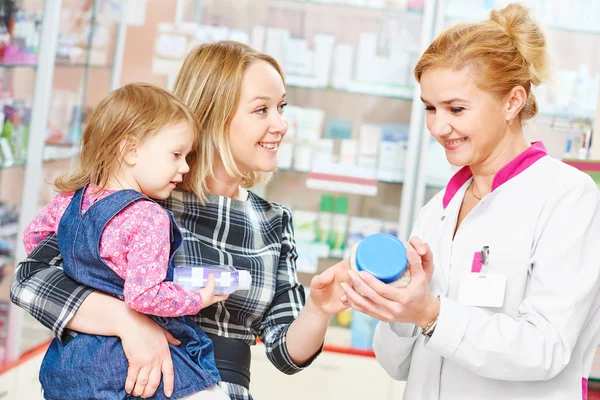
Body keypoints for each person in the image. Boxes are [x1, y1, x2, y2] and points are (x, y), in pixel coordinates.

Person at [11, 41, 349, 400]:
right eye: (262, 110)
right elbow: (30, 281)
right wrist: (129, 323)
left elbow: (286, 353)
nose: (281, 125)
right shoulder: (139, 200)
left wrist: (319, 309)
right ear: (214, 113)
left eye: (282, 107)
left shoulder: (272, 222)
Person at [339, 4, 600, 400]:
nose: (439, 126)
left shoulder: (568, 198)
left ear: (513, 101)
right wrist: (399, 309)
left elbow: (546, 348)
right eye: (430, 107)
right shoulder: (437, 210)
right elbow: (397, 365)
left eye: (456, 109)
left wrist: (431, 313)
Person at [22, 83, 230, 400]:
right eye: (176, 154)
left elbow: (33, 239)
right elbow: (144, 295)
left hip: (70, 362)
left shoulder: (69, 201)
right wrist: (198, 298)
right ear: (130, 150)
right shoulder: (148, 217)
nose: (185, 167)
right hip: (128, 365)